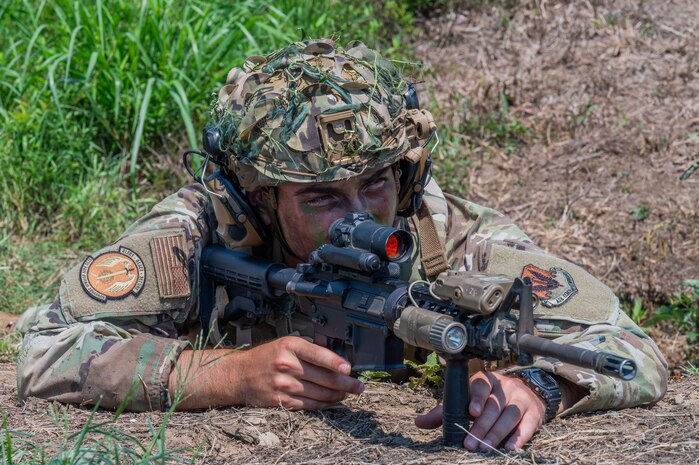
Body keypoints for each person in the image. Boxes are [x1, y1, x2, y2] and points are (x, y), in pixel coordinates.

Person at [16, 39, 667, 452]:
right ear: (259, 198)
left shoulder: (441, 231)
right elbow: (43, 345)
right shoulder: (197, 232)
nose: (359, 214)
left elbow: (624, 344)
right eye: (321, 196)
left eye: (374, 184)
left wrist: (538, 385)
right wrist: (222, 375)